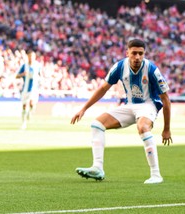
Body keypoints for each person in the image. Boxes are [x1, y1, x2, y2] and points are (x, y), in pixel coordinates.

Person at [70, 39, 172, 184]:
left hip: (148, 105)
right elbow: (103, 88)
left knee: (142, 127)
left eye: (140, 54)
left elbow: (166, 100)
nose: (137, 57)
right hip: (129, 105)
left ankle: (156, 174)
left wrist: (166, 129)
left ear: (144, 54)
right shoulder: (119, 66)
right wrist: (84, 109)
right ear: (127, 53)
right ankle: (97, 167)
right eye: (134, 53)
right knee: (96, 124)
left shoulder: (152, 69)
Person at [16, 50, 41, 130]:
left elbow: (41, 75)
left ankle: (30, 112)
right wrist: (23, 74)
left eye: (33, 56)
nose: (31, 58)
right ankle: (24, 123)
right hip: (25, 89)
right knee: (24, 106)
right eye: (30, 56)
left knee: (32, 103)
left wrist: (40, 80)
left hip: (34, 89)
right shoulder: (24, 66)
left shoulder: (37, 66)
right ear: (28, 57)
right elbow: (16, 76)